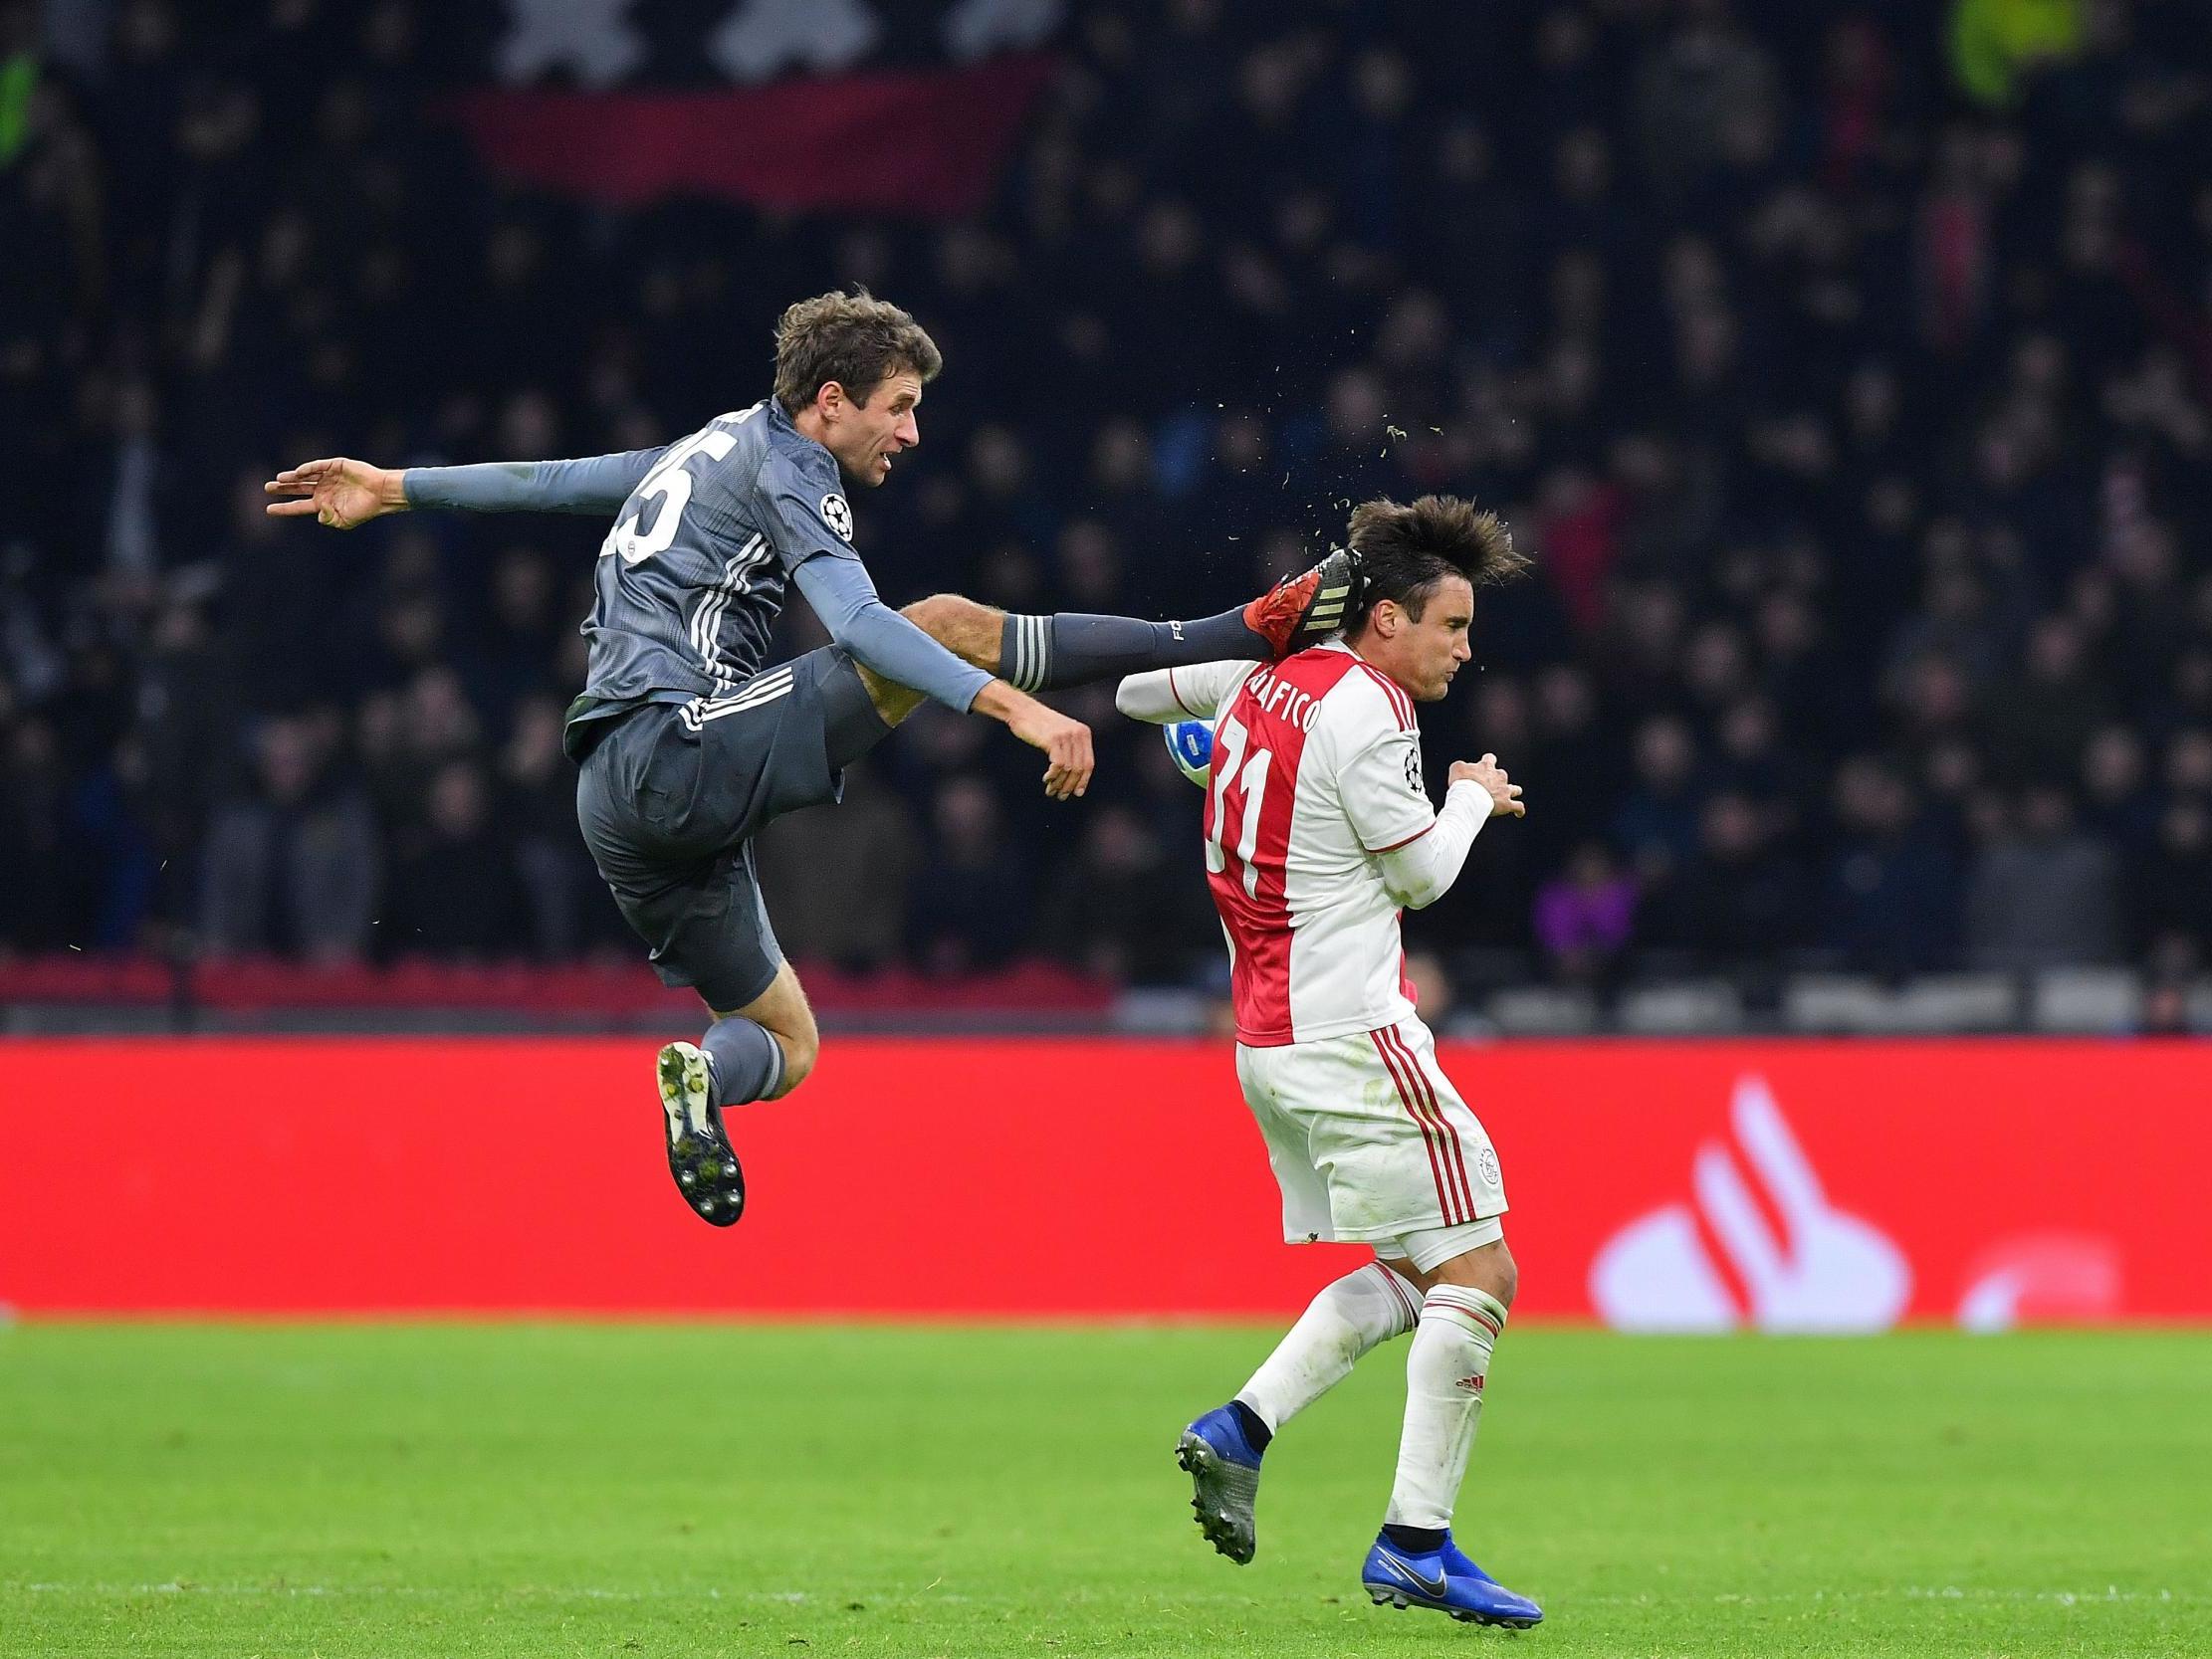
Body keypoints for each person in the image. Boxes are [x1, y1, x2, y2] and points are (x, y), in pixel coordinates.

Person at [266, 290, 1353, 1226]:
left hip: (610, 790)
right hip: (674, 741)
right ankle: (1233, 631)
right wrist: (1013, 711)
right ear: (830, 400)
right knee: (946, 619)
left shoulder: (704, 447)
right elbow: (869, 622)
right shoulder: (793, 469)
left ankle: (699, 1074)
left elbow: (552, 482)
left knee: (781, 1036)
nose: (912, 433)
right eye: (901, 407)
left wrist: (396, 485)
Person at [1114, 495, 1543, 1629]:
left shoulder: (1264, 676)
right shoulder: (1366, 708)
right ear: (1387, 617)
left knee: (1418, 1272)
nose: (1464, 646)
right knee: (1482, 1272)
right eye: (1450, 624)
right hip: (1353, 1032)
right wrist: (1468, 797)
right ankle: (1415, 1539)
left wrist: (1196, 727)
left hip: (1266, 1040)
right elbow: (1418, 876)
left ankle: (1238, 1428)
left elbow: (1133, 690)